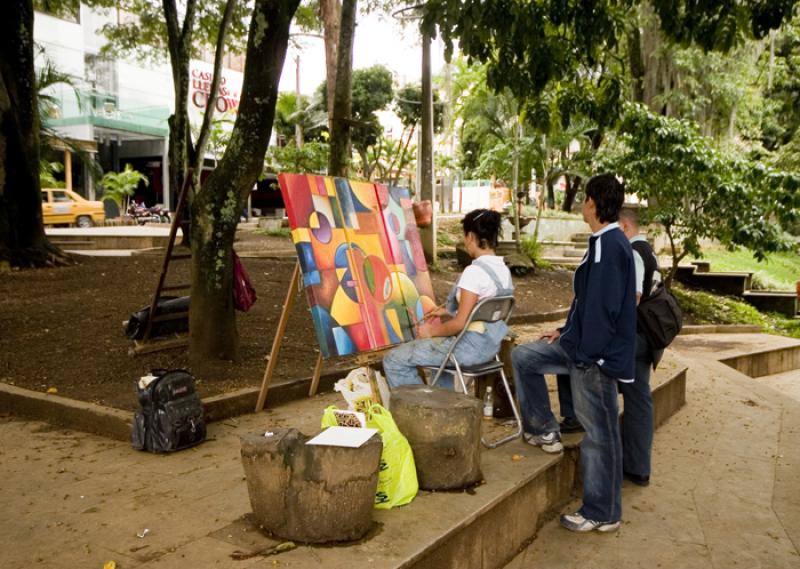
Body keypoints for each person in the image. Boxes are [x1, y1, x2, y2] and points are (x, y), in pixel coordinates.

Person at [511, 174, 636, 533]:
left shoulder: (612, 247)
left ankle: (602, 512)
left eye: (584, 199)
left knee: (600, 434)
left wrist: (589, 356)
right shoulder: (601, 243)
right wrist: (565, 333)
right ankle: (543, 429)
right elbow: (585, 303)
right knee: (526, 357)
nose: (581, 204)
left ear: (593, 203)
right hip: (578, 347)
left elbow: (606, 311)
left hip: (594, 358)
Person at [557, 207, 663, 486]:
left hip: (633, 340)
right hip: (645, 339)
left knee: (618, 397)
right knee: (639, 400)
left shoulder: (632, 252)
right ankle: (637, 467)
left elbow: (633, 297)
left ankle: (628, 466)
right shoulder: (647, 250)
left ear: (625, 227)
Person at [383, 209, 514, 390]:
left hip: (467, 350)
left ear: (470, 236)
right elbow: (480, 308)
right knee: (440, 361)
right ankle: (442, 405)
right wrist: (445, 311)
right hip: (490, 348)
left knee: (393, 359)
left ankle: (421, 411)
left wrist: (431, 332)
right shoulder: (502, 269)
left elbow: (459, 324)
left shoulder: (474, 272)